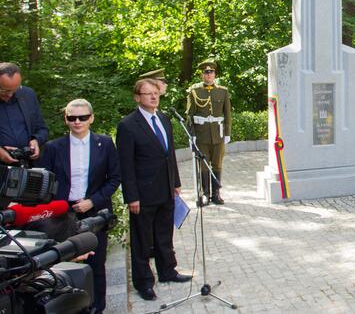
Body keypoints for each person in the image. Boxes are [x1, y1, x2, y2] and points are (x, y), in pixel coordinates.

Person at [40, 99, 121, 313]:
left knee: (97, 264)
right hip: (62, 213)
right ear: (66, 119)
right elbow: (45, 184)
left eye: (83, 117)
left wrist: (92, 201)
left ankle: (97, 308)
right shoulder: (52, 148)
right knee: (61, 263)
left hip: (94, 211)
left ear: (91, 118)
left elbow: (114, 178)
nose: (78, 122)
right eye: (72, 117)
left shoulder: (104, 143)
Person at [117, 78, 190, 301]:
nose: (153, 96)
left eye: (156, 93)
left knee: (164, 235)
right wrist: (131, 197)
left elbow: (170, 156)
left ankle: (168, 271)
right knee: (141, 240)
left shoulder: (164, 119)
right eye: (148, 93)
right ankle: (144, 282)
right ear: (137, 97)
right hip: (143, 194)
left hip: (166, 189)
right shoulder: (128, 125)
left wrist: (175, 182)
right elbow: (125, 165)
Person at [186, 60, 232, 205]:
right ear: (202, 75)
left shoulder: (222, 91)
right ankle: (205, 194)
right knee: (204, 165)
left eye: (211, 72)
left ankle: (216, 194)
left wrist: (227, 133)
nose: (209, 75)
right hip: (201, 135)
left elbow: (228, 114)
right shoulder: (194, 91)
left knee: (217, 164)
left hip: (218, 135)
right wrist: (191, 134)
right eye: (206, 73)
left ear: (215, 74)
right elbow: (189, 114)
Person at [0, 62, 48, 165]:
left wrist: (36, 140)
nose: (10, 95)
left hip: (26, 165)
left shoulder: (28, 95)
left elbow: (42, 129)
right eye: (5, 90)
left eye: (15, 89)